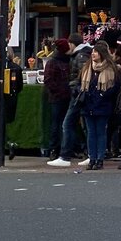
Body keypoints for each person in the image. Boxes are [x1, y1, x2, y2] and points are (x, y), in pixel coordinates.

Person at [47, 32, 91, 167]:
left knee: (68, 123)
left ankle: (65, 155)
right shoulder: (82, 54)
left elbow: (84, 77)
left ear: (72, 44)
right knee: (83, 124)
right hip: (77, 94)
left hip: (77, 95)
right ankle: (87, 153)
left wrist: (74, 88)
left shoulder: (80, 56)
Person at [79, 42, 120, 171]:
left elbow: (114, 88)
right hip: (88, 104)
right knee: (91, 133)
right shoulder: (87, 68)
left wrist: (103, 96)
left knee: (101, 132)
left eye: (95, 52)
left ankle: (100, 159)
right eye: (92, 52)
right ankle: (92, 158)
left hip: (103, 105)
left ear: (102, 54)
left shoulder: (110, 69)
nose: (93, 55)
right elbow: (79, 82)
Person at [42, 38, 72, 161]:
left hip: (64, 96)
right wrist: (59, 91)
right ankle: (54, 148)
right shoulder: (54, 62)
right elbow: (48, 80)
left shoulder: (62, 61)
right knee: (57, 124)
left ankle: (63, 148)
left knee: (62, 123)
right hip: (58, 97)